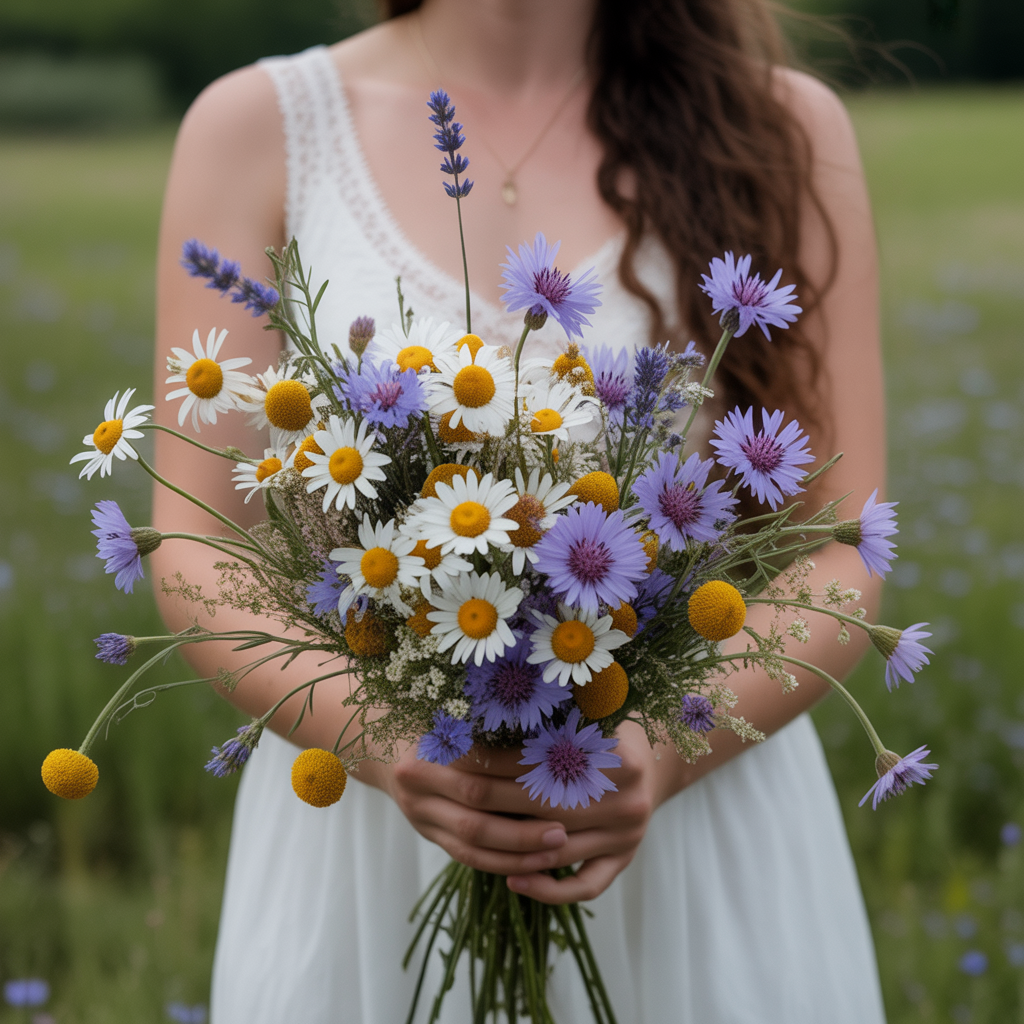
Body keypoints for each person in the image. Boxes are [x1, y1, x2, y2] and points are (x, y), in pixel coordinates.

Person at [151, 1, 888, 1020]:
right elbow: (195, 541)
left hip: (692, 826)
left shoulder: (779, 127)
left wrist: (664, 750)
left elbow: (844, 546)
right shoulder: (258, 127)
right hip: (367, 839)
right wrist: (377, 742)